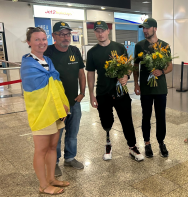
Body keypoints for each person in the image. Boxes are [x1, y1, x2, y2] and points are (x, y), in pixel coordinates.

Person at [21, 27, 70, 195]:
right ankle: (43, 185)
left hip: (55, 111)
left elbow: (55, 85)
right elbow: (35, 94)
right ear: (29, 42)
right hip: (41, 113)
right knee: (41, 150)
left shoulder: (48, 60)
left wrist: (62, 106)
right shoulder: (28, 64)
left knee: (52, 146)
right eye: (37, 39)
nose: (41, 43)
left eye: (43, 39)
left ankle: (51, 178)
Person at [86, 21, 144, 161]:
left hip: (120, 92)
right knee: (106, 122)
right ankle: (108, 144)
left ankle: (132, 147)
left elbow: (128, 66)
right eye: (97, 31)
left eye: (103, 31)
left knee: (127, 121)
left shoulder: (119, 48)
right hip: (103, 92)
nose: (100, 34)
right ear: (95, 33)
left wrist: (126, 75)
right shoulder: (92, 52)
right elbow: (90, 73)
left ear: (108, 31)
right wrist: (91, 94)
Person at [44, 21, 86, 177]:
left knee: (72, 133)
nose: (65, 37)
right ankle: (54, 162)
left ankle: (70, 158)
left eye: (67, 34)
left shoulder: (75, 50)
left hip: (74, 102)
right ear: (54, 36)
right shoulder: (48, 53)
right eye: (61, 34)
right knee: (56, 134)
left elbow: (81, 73)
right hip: (56, 104)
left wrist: (82, 93)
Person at [134, 18, 173, 158]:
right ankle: (147, 143)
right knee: (146, 116)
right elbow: (136, 66)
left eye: (147, 28)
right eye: (143, 28)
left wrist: (161, 71)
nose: (144, 31)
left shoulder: (165, 46)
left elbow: (170, 66)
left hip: (160, 88)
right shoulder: (139, 46)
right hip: (145, 88)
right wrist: (136, 83)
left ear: (154, 28)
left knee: (161, 117)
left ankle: (161, 142)